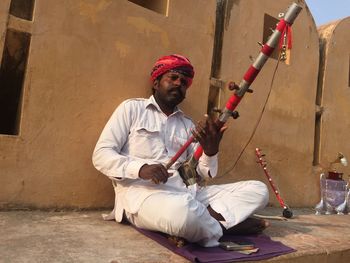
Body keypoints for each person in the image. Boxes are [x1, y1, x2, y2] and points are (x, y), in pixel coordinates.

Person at [92, 54, 269, 247]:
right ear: (156, 82)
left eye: (184, 82)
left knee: (258, 190)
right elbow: (101, 154)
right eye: (173, 78)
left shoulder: (188, 125)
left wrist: (210, 151)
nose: (179, 84)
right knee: (183, 213)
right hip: (143, 195)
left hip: (187, 193)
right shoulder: (131, 109)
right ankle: (225, 225)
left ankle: (205, 226)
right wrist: (141, 168)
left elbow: (200, 173)